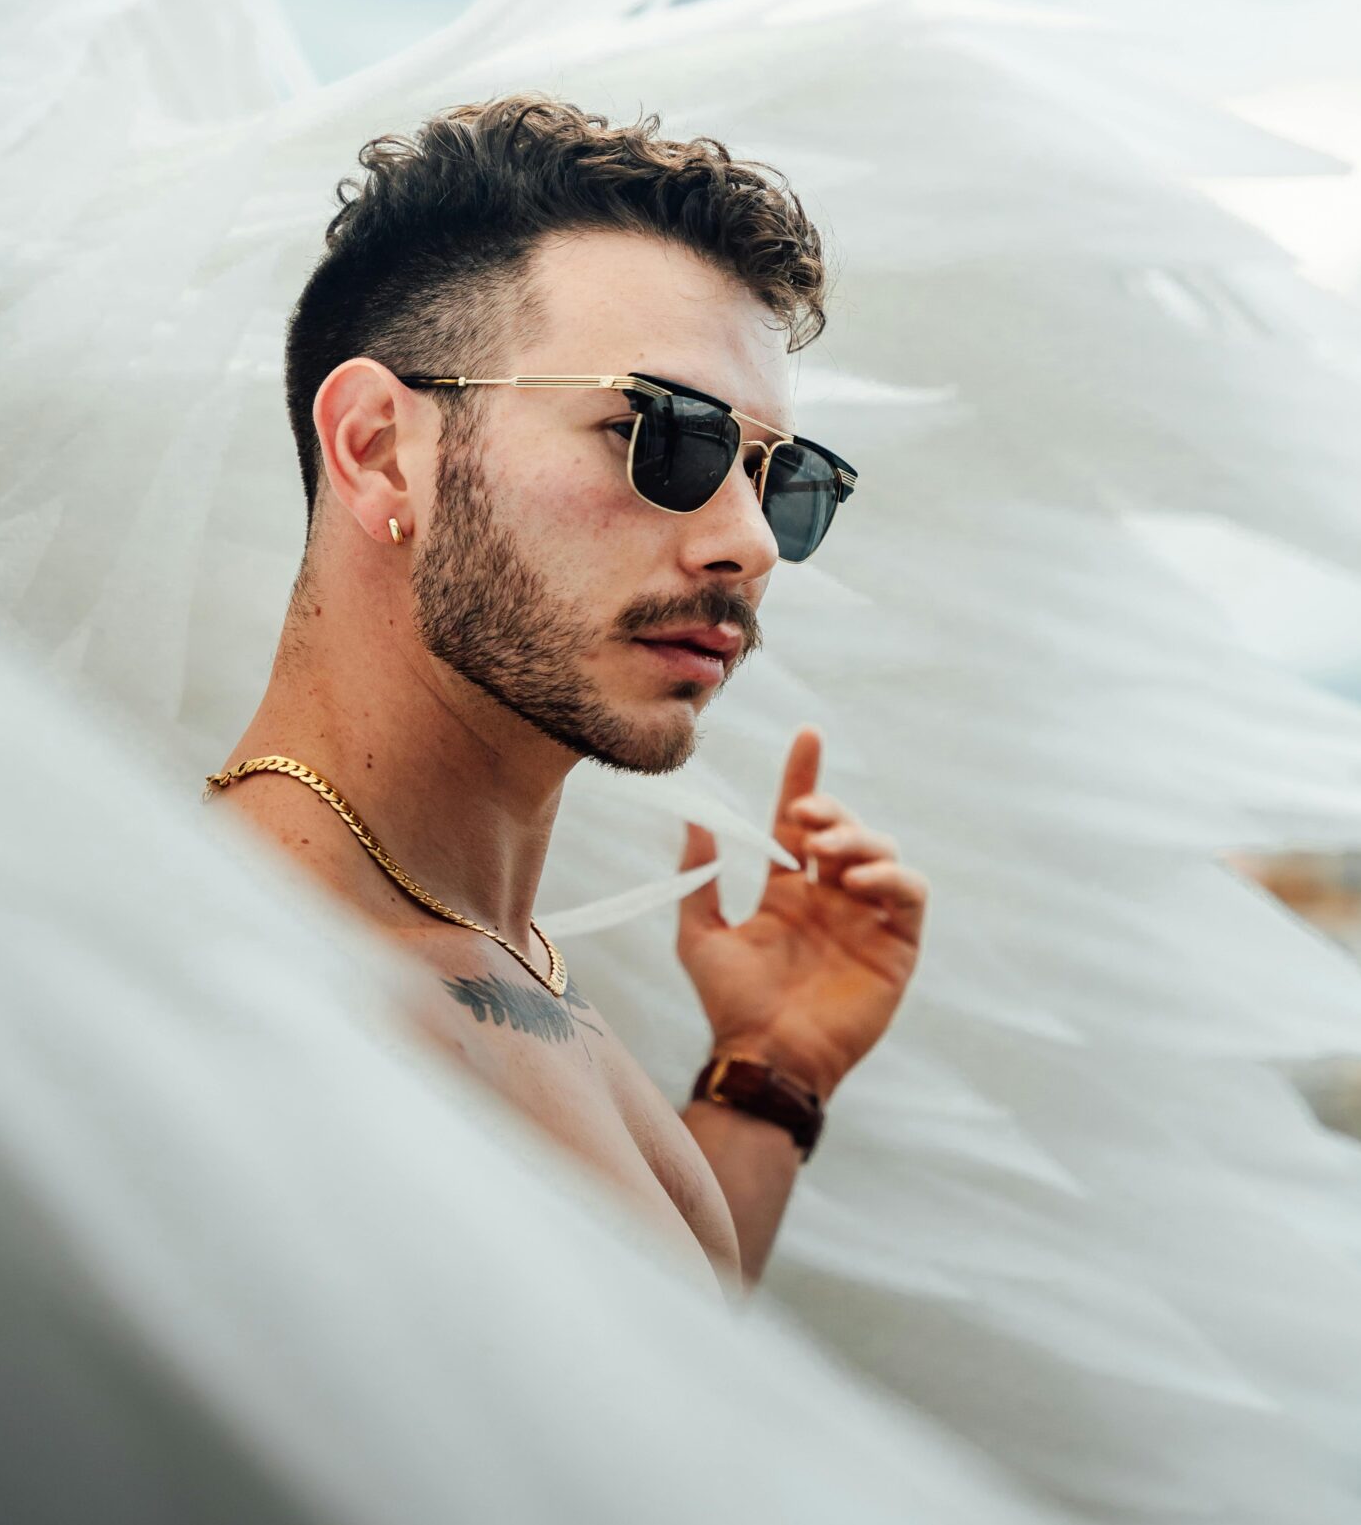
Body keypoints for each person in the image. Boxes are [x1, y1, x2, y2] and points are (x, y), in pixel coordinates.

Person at [206, 92, 930, 1299]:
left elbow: (638, 1381)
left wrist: (768, 1072)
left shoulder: (488, 952)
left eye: (778, 477)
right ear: (382, 446)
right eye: (664, 436)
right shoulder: (275, 1003)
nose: (748, 539)